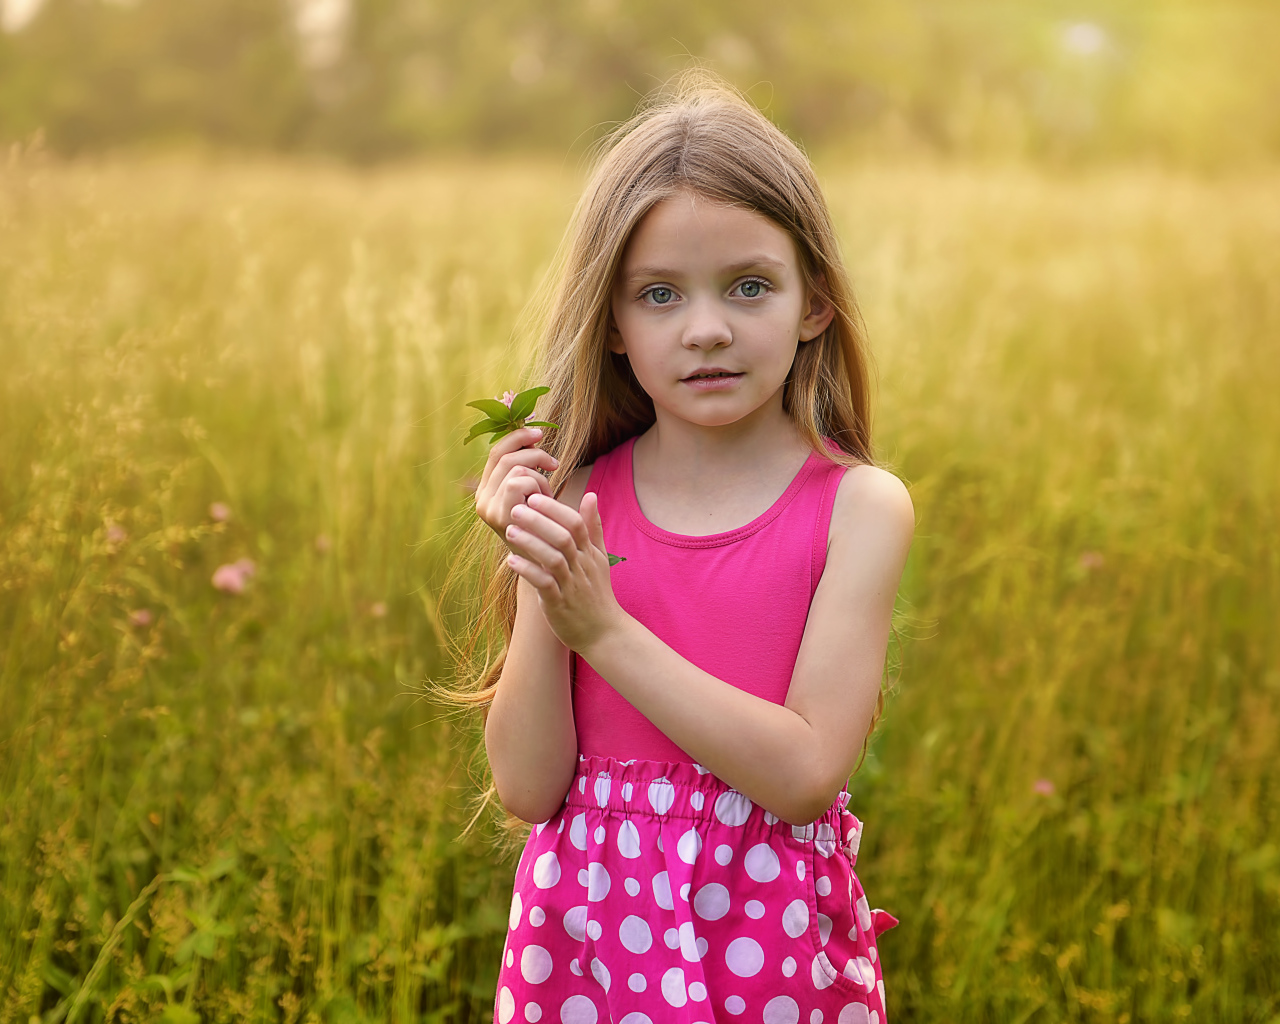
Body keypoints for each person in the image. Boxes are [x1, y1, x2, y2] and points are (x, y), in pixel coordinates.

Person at [457, 72, 914, 1024]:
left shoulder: (857, 510)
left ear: (815, 303)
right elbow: (530, 785)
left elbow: (800, 778)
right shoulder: (582, 494)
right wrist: (539, 564)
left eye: (750, 286)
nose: (706, 330)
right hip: (587, 952)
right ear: (614, 326)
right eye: (659, 295)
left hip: (766, 955)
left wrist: (605, 630)